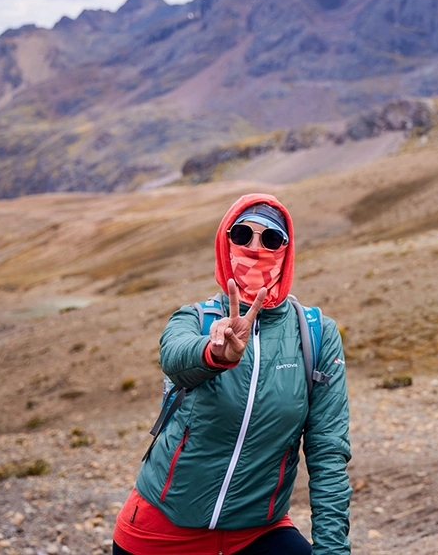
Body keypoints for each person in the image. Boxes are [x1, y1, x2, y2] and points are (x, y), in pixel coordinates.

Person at [112, 194, 351, 555]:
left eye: (271, 239)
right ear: (225, 243)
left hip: (257, 533)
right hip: (161, 532)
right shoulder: (194, 319)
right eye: (242, 235)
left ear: (287, 252)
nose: (256, 247)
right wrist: (214, 354)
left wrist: (332, 550)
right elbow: (175, 359)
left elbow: (327, 450)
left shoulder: (317, 334)